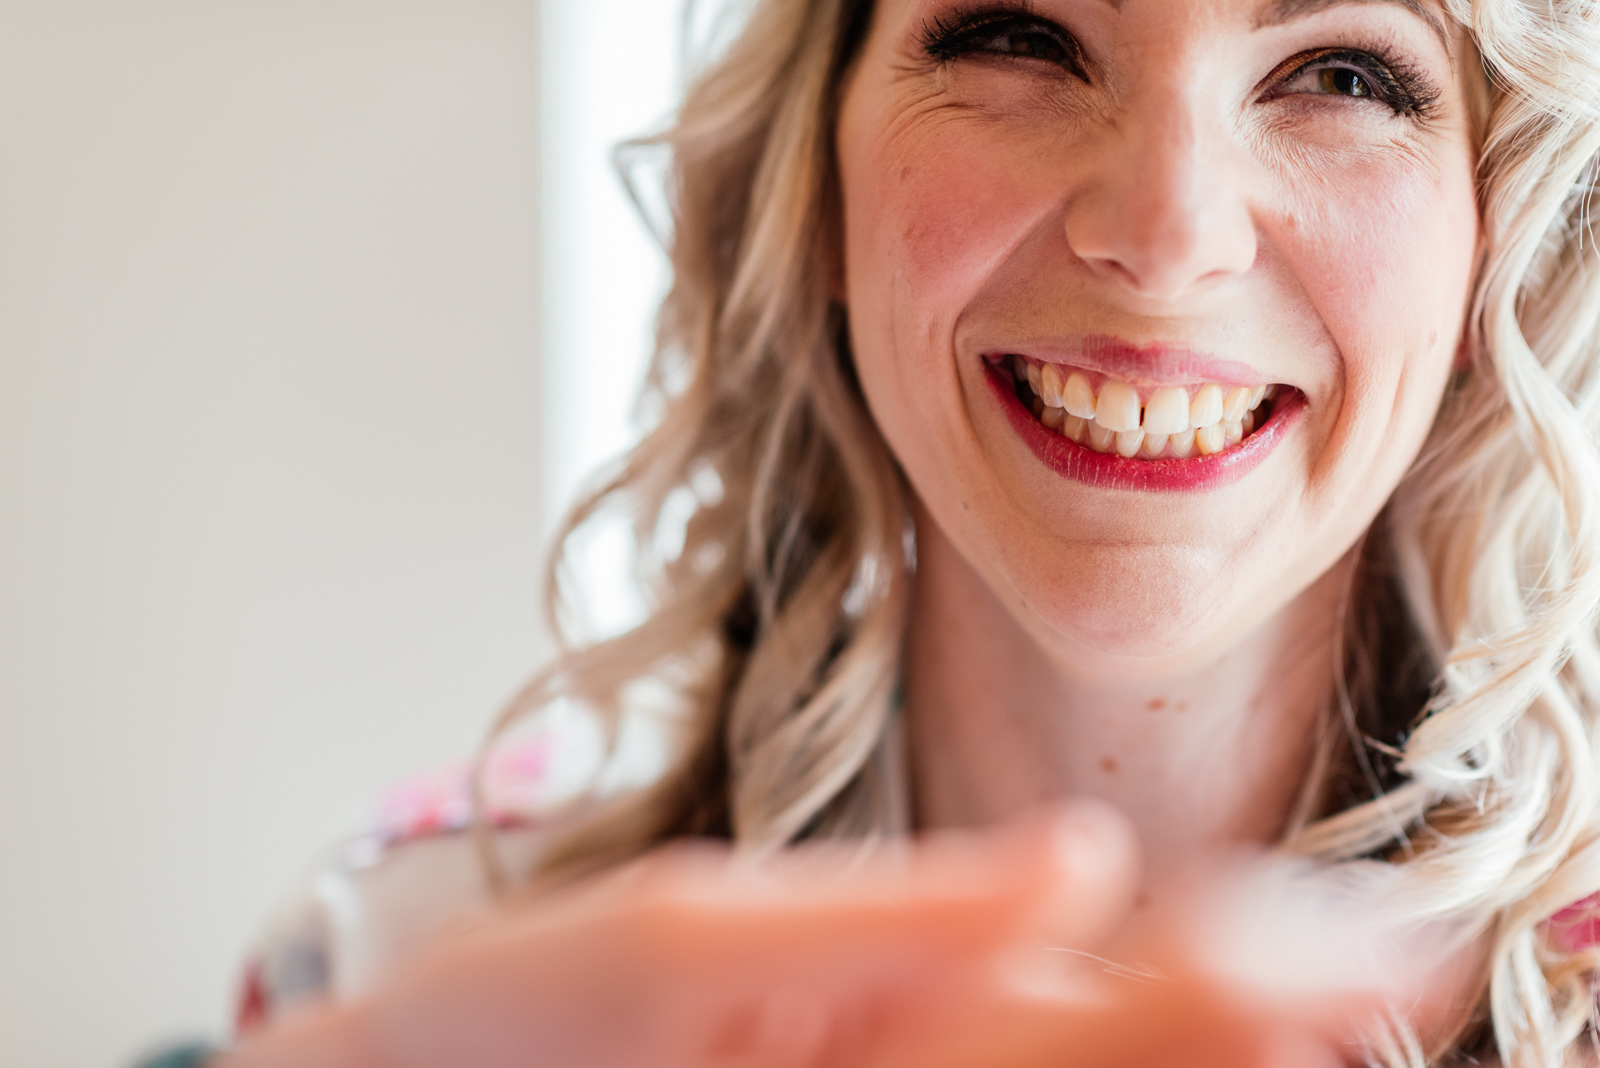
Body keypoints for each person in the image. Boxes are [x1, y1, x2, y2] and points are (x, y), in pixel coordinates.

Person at [193, 0, 1600, 1064]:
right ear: (815, 193)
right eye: (1018, 36)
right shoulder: (423, 969)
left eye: (1344, 75)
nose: (1166, 234)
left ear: (1496, 250)